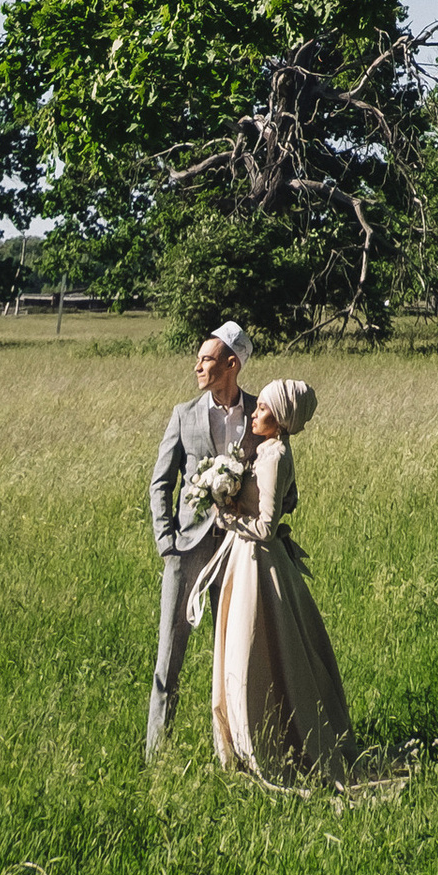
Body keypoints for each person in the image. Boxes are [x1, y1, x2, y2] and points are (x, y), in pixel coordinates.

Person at [209, 374, 358, 788]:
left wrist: (226, 515)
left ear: (282, 418)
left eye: (263, 409)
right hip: (248, 560)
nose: (254, 413)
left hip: (260, 563)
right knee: (252, 652)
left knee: (258, 652)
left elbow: (266, 527)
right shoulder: (270, 450)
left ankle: (265, 744)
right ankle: (248, 741)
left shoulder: (274, 456)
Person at [145, 322, 253, 758]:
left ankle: (234, 751)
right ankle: (156, 754)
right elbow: (160, 481)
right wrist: (166, 540)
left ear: (232, 364)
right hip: (187, 549)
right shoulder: (183, 414)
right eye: (198, 359)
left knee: (233, 655)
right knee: (168, 656)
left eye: (206, 359)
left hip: (238, 550)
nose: (197, 367)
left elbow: (283, 485)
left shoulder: (260, 413)